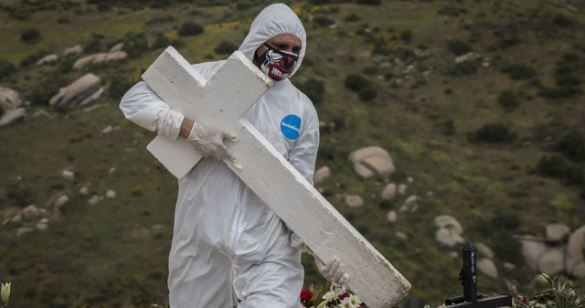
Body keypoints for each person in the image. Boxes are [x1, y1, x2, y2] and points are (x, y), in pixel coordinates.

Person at [119, 3, 348, 307]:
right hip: (201, 243)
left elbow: (301, 186)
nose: (288, 56)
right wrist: (191, 129)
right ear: (258, 41)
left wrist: (317, 246)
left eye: (295, 49)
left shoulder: (300, 108)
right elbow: (134, 99)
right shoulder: (209, 77)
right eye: (280, 46)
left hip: (269, 252)